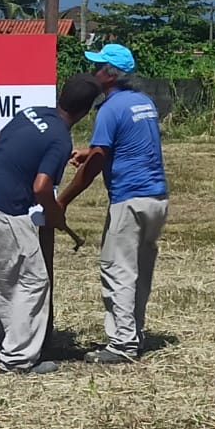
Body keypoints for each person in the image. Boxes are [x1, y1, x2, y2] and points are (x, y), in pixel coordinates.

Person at [0, 75, 101, 375]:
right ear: (85, 112)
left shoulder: (34, 112)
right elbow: (42, 187)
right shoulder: (59, 138)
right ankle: (18, 359)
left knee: (3, 280)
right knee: (33, 281)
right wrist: (54, 213)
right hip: (5, 215)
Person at [57, 43, 168, 364]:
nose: (92, 72)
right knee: (140, 270)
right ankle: (135, 334)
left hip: (128, 199)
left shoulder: (109, 109)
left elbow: (98, 162)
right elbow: (127, 145)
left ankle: (121, 345)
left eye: (97, 67)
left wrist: (63, 199)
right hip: (156, 198)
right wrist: (89, 152)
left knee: (117, 269)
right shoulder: (143, 102)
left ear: (108, 74)